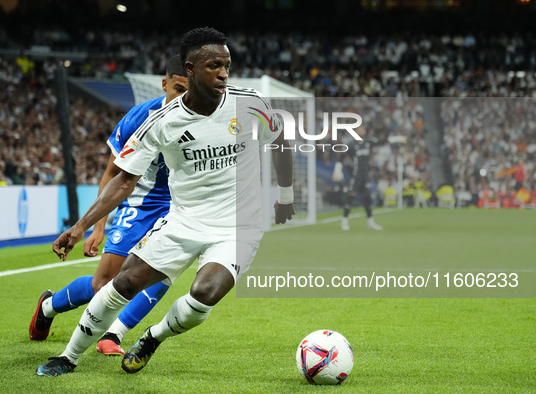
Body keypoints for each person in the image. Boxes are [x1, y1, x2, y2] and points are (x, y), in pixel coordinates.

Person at [36, 27, 295, 377]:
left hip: (238, 226)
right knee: (122, 284)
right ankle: (67, 357)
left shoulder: (248, 104)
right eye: (213, 65)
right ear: (189, 69)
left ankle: (153, 337)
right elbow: (123, 180)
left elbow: (281, 142)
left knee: (205, 292)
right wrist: (81, 226)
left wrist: (285, 195)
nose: (223, 73)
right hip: (183, 221)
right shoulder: (160, 123)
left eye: (227, 65)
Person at [29, 55, 188, 357]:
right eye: (178, 90)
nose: (183, 99)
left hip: (178, 208)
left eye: (189, 92)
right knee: (104, 284)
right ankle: (49, 306)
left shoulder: (204, 116)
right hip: (139, 204)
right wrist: (98, 226)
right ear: (165, 84)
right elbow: (113, 173)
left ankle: (114, 334)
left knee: (164, 272)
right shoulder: (141, 117)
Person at [341, 125, 383, 231]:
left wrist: (394, 139)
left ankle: (370, 222)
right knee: (351, 196)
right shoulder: (351, 145)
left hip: (366, 175)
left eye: (362, 129)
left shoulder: (368, 143)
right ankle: (344, 221)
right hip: (355, 175)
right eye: (358, 129)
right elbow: (342, 157)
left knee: (367, 198)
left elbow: (382, 141)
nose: (360, 131)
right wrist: (338, 168)